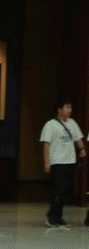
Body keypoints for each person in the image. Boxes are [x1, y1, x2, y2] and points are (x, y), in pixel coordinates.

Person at [40, 97, 86, 228]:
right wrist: (46, 162)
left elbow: (78, 138)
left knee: (65, 192)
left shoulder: (72, 123)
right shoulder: (50, 125)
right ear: (59, 110)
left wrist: (82, 149)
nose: (69, 110)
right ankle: (52, 217)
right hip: (57, 162)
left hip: (69, 161)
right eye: (67, 107)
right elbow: (46, 144)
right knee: (58, 190)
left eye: (70, 107)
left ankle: (59, 217)